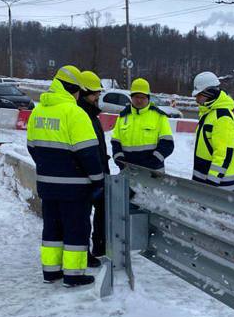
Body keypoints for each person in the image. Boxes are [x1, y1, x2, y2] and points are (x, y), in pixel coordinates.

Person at [26, 65, 105, 288]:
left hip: (47, 186)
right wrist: (98, 180)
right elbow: (88, 153)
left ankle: (51, 272)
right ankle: (74, 275)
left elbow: (32, 147)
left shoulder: (39, 111)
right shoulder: (75, 113)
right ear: (73, 89)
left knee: (52, 229)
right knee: (76, 230)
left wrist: (49, 168)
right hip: (75, 187)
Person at [76, 70, 110, 262]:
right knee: (82, 216)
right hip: (87, 176)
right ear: (83, 92)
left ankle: (99, 247)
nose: (98, 96)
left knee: (101, 212)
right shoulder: (81, 115)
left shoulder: (92, 115)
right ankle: (85, 253)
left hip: (98, 173)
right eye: (94, 92)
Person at [110, 78, 174, 172]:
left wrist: (152, 163)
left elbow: (167, 144)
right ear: (131, 97)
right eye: (136, 97)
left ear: (148, 97)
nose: (139, 100)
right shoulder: (123, 117)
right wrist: (120, 162)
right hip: (128, 172)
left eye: (142, 97)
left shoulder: (159, 116)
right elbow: (116, 143)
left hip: (153, 174)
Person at [191, 71, 234, 191]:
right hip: (204, 180)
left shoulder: (222, 117)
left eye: (199, 95)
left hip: (219, 185)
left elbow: (223, 154)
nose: (196, 99)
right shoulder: (209, 113)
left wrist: (212, 183)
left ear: (209, 93)